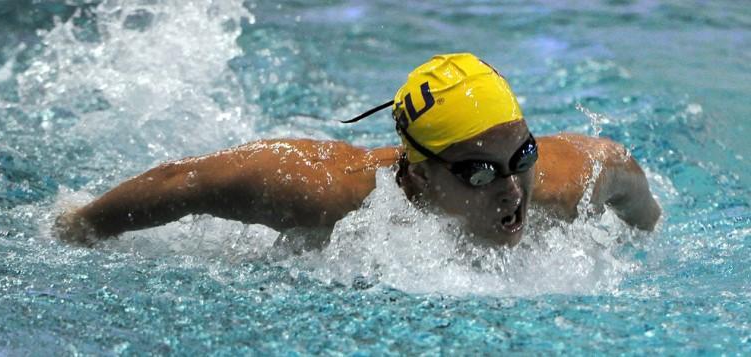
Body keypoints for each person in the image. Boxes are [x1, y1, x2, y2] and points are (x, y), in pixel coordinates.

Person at [54, 53, 661, 248]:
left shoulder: (563, 180)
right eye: (477, 172)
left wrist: (647, 233)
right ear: (419, 175)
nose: (511, 188)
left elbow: (624, 171)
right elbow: (184, 181)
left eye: (520, 156)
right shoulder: (328, 196)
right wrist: (77, 226)